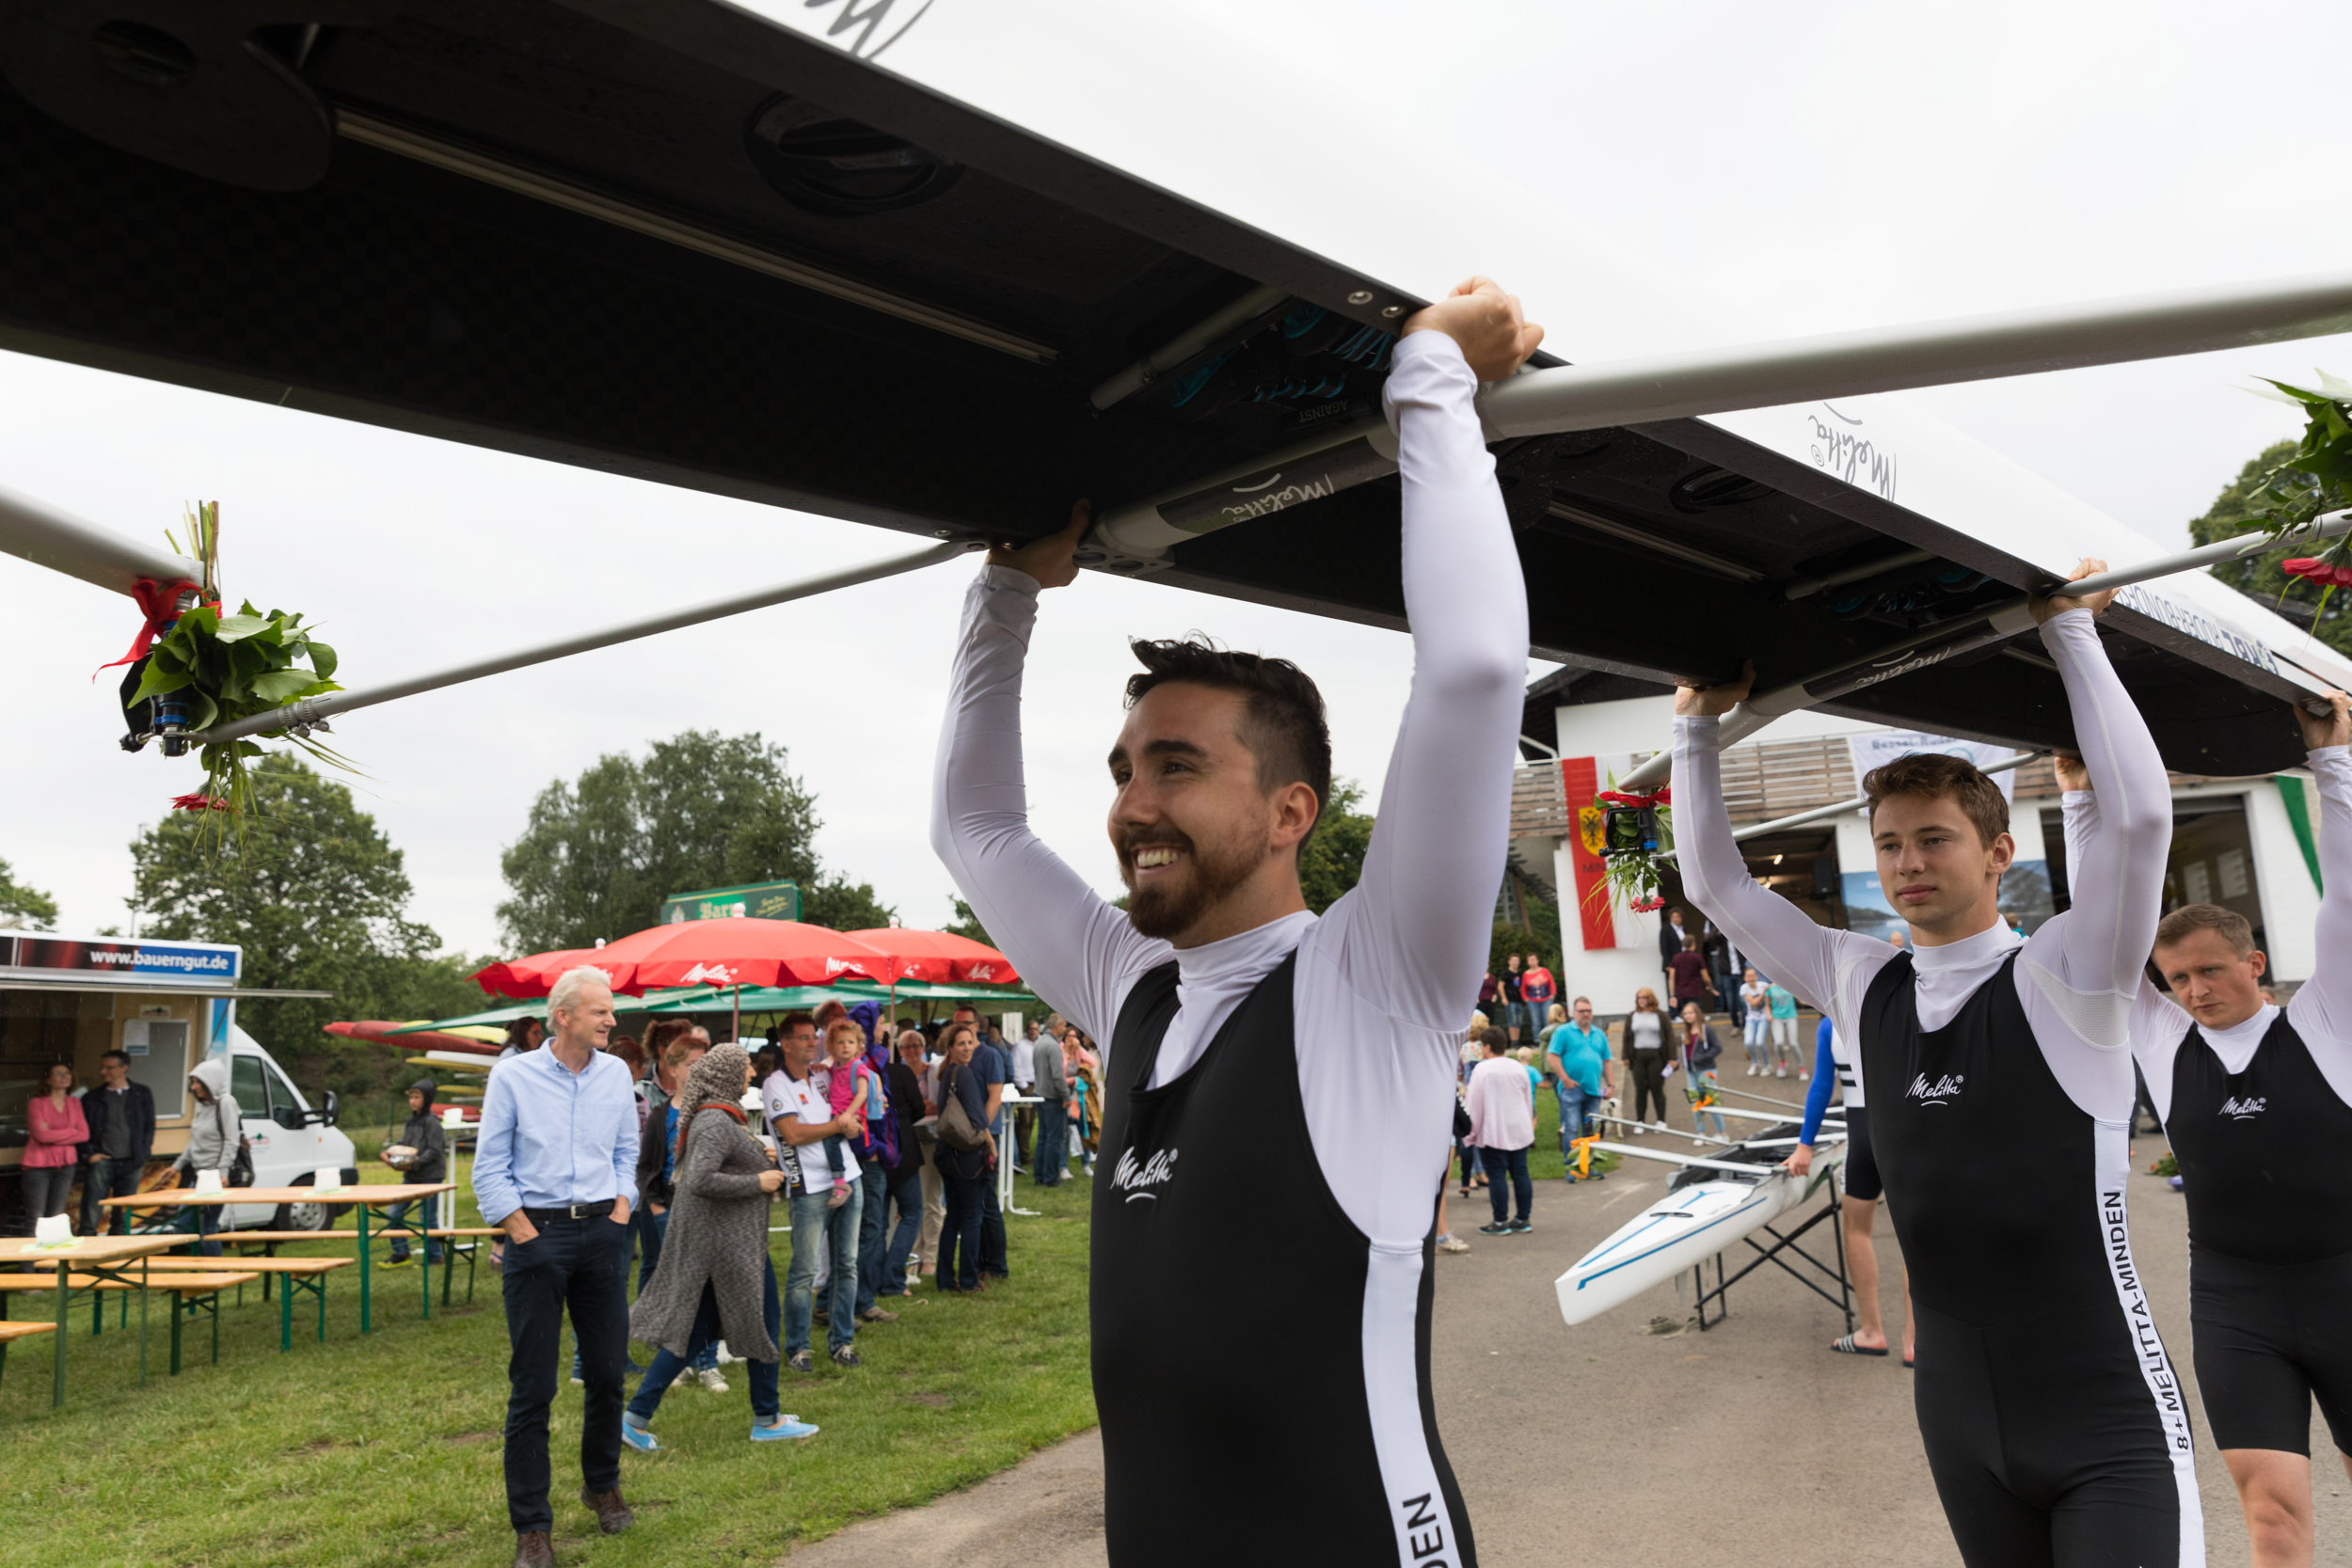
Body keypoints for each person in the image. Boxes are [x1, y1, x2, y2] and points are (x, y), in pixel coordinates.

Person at [931, 276, 1539, 1566]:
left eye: (1177, 765)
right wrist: (1006, 593)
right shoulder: (1131, 984)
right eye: (1123, 768)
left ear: (1288, 810)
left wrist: (1430, 377)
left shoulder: (1378, 973)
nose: (1133, 803)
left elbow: (1478, 665)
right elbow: (974, 830)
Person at [1674, 562, 2201, 1567]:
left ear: (1999, 852)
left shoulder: (2068, 969)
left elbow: (2136, 824)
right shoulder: (1855, 976)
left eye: (1934, 839)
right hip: (1957, 1415)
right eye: (1889, 845)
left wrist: (2069, 631)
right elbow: (1717, 883)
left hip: (2105, 1419)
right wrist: (1694, 724)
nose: (1908, 861)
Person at [2059, 692, 2352, 1568]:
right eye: (2176, 978)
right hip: (2237, 1305)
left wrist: (2332, 761)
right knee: (2270, 1518)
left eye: (2210, 971)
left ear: (2255, 962)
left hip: (2346, 1286)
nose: (2192, 990)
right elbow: (2103, 928)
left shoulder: (2328, 1022)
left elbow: (2346, 901)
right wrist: (2079, 800)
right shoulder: (2162, 1039)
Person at [472, 967, 642, 1568]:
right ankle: (533, 1527)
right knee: (534, 1386)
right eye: (600, 1011)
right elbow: (489, 1166)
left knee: (606, 1374)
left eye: (611, 1010)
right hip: (537, 1235)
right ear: (564, 1015)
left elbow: (627, 1150)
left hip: (603, 1233)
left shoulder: (617, 1073)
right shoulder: (513, 1076)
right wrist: (521, 1230)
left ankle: (601, 1485)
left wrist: (623, 1207)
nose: (612, 1020)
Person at [622, 1042, 817, 1450]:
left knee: (699, 1332)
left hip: (728, 1243)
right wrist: (757, 1181)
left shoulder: (722, 1118)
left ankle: (635, 1418)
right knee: (762, 1321)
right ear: (727, 1075)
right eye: (745, 1068)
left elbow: (715, 1166)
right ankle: (768, 1419)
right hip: (728, 1247)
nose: (751, 1074)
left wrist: (757, 1155)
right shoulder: (714, 1120)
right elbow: (699, 1179)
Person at [1789, 1012, 1912, 1363]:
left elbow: (1821, 1088)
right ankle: (1915, 1342)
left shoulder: (1833, 1022)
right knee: (1913, 1238)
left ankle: (1871, 1332)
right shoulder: (1909, 1006)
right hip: (1906, 1137)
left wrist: (1804, 1145)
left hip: (1862, 1137)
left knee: (1858, 1231)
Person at [768, 1010, 865, 1370]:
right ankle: (798, 1347)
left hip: (848, 1177)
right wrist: (837, 1125)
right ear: (786, 1043)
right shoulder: (775, 1084)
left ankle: (842, 1342)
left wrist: (850, 1123)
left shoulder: (825, 1075)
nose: (814, 1042)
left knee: (847, 1264)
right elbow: (792, 1133)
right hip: (809, 1187)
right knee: (805, 1271)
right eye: (806, 1037)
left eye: (815, 1037)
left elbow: (855, 1097)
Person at [860, 1031, 930, 1306]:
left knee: (877, 1221)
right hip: (900, 1152)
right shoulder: (900, 1073)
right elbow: (918, 1109)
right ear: (890, 1046)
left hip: (873, 1152)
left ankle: (879, 1278)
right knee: (911, 1212)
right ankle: (892, 1277)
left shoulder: (860, 1073)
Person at [930, 1022, 998, 1292]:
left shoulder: (946, 1073)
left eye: (970, 1042)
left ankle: (945, 1279)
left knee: (954, 1217)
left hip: (948, 1153)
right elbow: (979, 1119)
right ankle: (969, 1280)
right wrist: (991, 1144)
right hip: (967, 1156)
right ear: (950, 1048)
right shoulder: (964, 1074)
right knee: (971, 1217)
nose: (967, 1047)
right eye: (961, 1043)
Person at [1465, 1028, 1534, 1235]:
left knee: (1496, 1175)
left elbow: (1474, 1104)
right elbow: (1527, 1098)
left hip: (1494, 1129)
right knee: (1520, 1173)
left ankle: (1500, 1220)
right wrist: (1528, 1123)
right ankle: (1523, 1218)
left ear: (1487, 1047)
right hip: (1519, 1127)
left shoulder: (1482, 1070)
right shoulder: (1518, 1067)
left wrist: (1471, 1132)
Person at [80, 1049, 155, 1235]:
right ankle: (85, 1257)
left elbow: (149, 1126)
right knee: (91, 1211)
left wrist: (143, 1153)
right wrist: (89, 1155)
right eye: (102, 1067)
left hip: (132, 1161)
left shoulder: (141, 1093)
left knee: (123, 1214)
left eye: (109, 1068)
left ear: (124, 1068)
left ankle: (118, 1259)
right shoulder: (92, 1097)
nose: (103, 1072)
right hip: (102, 1160)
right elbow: (81, 1130)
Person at [172, 1057, 241, 1258]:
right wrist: (177, 1166)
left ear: (210, 1082)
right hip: (199, 1175)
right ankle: (201, 1270)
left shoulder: (225, 1103)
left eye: (197, 1082)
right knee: (183, 1225)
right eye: (192, 1083)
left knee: (207, 1225)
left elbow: (231, 1140)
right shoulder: (203, 1106)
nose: (194, 1087)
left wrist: (223, 1172)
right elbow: (195, 1141)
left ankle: (214, 1272)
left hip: (215, 1178)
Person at [382, 1077, 448, 1268]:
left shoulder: (432, 1122)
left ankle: (436, 1256)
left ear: (426, 1098)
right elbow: (404, 1145)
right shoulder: (410, 1122)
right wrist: (390, 1154)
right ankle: (401, 1252)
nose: (413, 1101)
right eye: (411, 1097)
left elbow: (434, 1151)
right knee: (393, 1212)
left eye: (417, 1097)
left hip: (430, 1177)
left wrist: (415, 1163)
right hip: (411, 1177)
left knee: (427, 1217)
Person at [1545, 997, 1612, 1177]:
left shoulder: (1599, 1034)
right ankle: (1572, 1167)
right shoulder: (1563, 1032)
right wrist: (1564, 1079)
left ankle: (1588, 1166)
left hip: (1594, 1089)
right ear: (1573, 1013)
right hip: (1571, 1089)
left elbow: (1606, 1060)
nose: (1586, 1014)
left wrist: (1611, 1085)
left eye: (1589, 1011)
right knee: (1572, 1127)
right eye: (1582, 1011)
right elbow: (1552, 1056)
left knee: (1591, 1129)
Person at [24, 1062, 87, 1226]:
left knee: (57, 1214)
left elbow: (84, 1134)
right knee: (36, 1216)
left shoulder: (75, 1103)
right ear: (48, 1080)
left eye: (67, 1073)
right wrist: (71, 1131)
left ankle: (52, 1250)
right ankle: (31, 1250)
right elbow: (41, 1136)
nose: (64, 1077)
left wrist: (54, 1134)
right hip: (38, 1165)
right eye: (58, 1074)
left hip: (66, 1165)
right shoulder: (37, 1103)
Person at [1677, 1000, 1728, 1143]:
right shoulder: (1685, 1033)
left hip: (1707, 1070)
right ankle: (1701, 1133)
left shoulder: (1707, 1030)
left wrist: (1702, 1058)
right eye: (1685, 1013)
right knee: (1695, 1102)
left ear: (1697, 1014)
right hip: (1691, 1071)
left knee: (1710, 1101)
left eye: (1690, 1013)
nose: (1687, 1016)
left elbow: (1717, 1047)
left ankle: (1722, 1133)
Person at [1623, 988, 1672, 1132]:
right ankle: (1640, 1121)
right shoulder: (1632, 1016)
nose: (1641, 1000)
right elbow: (1627, 1037)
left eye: (1644, 997)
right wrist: (1625, 1055)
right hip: (1638, 1057)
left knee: (1657, 1089)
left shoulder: (1660, 1015)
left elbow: (1669, 1036)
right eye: (1638, 998)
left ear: (1650, 998)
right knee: (1640, 1089)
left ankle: (1661, 1121)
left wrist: (1672, 1058)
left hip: (1656, 1057)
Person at [1031, 1013, 1070, 1185]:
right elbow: (1058, 1075)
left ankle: (1039, 1176)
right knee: (1054, 1139)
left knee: (1043, 1138)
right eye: (1064, 1025)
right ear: (1057, 1025)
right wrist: (1066, 1095)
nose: (1065, 1029)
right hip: (1052, 1097)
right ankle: (1051, 1178)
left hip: (1039, 1093)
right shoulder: (1053, 1046)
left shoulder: (1039, 1042)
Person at [1667, 933, 1713, 1015]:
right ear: (1693, 943)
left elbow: (1671, 978)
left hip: (1681, 991)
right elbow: (1706, 977)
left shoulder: (1676, 958)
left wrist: (1672, 995)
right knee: (1697, 1015)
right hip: (1695, 990)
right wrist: (1711, 987)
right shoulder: (1698, 957)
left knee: (1686, 1015)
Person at [1739, 967, 1772, 1076]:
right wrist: (1763, 993)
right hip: (1751, 1019)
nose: (1751, 978)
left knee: (1760, 1042)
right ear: (1745, 978)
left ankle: (1767, 1065)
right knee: (1748, 1042)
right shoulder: (1744, 988)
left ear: (1756, 976)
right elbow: (1753, 1003)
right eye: (1748, 976)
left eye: (1753, 975)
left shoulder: (1763, 985)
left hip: (1763, 1018)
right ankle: (1755, 1063)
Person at [1765, 977, 1801, 1077]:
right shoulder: (1770, 988)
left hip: (1791, 1017)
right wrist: (1769, 1014)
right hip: (1777, 1018)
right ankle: (1782, 1063)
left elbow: (1801, 1000)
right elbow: (1767, 1005)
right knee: (1778, 1043)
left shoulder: (1790, 984)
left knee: (1793, 1044)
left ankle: (1801, 1068)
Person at [1520, 952, 1556, 1038]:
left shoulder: (1545, 971)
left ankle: (1549, 1039)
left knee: (1547, 1020)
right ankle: (1537, 1040)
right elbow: (1523, 988)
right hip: (1532, 1001)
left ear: (1537, 960)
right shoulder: (1526, 974)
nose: (1532, 961)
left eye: (1534, 959)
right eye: (1530, 960)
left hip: (1546, 999)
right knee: (1536, 1021)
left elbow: (1551, 983)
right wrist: (1525, 998)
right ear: (1527, 962)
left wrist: (1553, 994)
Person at [1658, 906, 1690, 990]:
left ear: (1681, 918)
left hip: (1684, 963)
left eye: (1678, 917)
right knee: (1673, 989)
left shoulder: (1684, 930)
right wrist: (1668, 964)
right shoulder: (1665, 930)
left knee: (1683, 987)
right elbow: (1663, 948)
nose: (1676, 919)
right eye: (1674, 917)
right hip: (1672, 964)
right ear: (1670, 918)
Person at [1502, 953, 1525, 1044]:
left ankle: (1517, 1041)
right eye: (1513, 960)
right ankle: (1513, 1041)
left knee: (1519, 1021)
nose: (1515, 962)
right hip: (1510, 1001)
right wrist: (1504, 998)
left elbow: (1520, 987)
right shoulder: (1506, 973)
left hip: (1518, 1000)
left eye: (1517, 961)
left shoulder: (1519, 974)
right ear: (1509, 962)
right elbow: (1500, 986)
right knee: (1512, 1021)